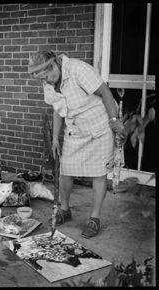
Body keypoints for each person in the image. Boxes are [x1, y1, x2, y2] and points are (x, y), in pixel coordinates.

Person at [28, 51, 124, 238]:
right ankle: (65, 209)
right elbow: (58, 109)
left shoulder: (78, 69)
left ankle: (94, 218)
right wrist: (55, 138)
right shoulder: (48, 82)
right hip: (75, 129)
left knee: (98, 174)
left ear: (53, 65)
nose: (45, 82)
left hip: (99, 127)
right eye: (42, 80)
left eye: (46, 77)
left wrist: (113, 120)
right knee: (66, 171)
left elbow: (105, 92)